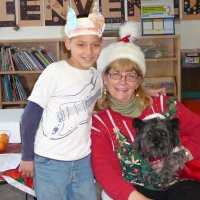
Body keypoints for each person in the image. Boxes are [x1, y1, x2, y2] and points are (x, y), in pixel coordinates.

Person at [91, 21, 200, 200]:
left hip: (177, 183)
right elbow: (104, 169)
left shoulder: (165, 105)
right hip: (133, 190)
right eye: (116, 74)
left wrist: (182, 156)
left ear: (139, 80)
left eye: (131, 75)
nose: (123, 81)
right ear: (105, 77)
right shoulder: (100, 123)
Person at [19, 3, 105, 200]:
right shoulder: (54, 72)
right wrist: (27, 156)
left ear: (102, 44)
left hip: (83, 160)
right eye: (81, 44)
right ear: (68, 44)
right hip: (50, 161)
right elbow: (30, 115)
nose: (89, 52)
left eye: (95, 45)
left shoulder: (96, 76)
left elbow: (111, 97)